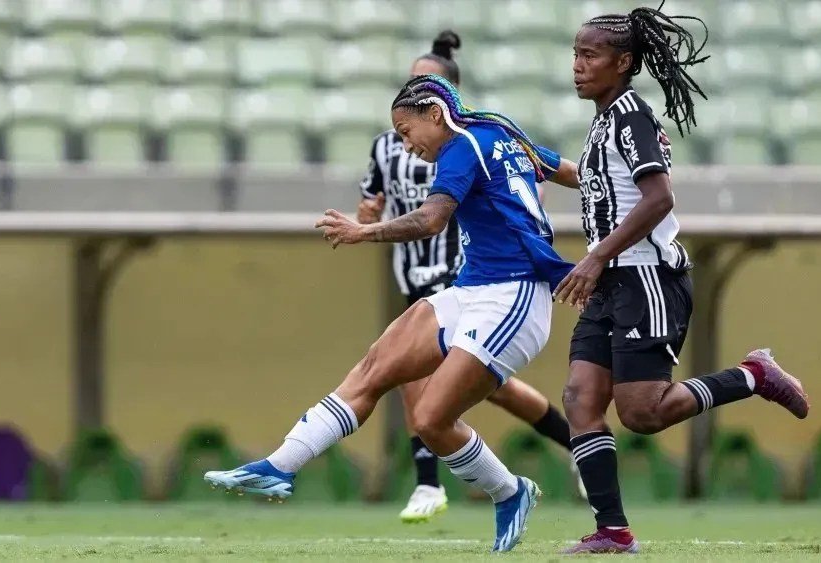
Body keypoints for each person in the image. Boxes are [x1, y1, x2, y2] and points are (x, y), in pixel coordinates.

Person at [205, 74, 582, 552]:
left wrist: (365, 233)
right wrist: (611, 184)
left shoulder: (461, 147)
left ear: (435, 114)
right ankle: (280, 466)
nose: (406, 146)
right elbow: (566, 169)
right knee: (375, 368)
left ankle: (510, 491)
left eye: (407, 131)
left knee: (429, 419)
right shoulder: (498, 131)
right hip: (472, 288)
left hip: (515, 297)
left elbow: (431, 220)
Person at [556, 4, 810, 554]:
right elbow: (610, 188)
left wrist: (596, 257)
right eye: (575, 54)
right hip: (613, 283)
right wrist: (557, 171)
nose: (577, 65)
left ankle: (751, 374)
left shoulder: (631, 116)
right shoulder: (606, 119)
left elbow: (658, 197)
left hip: (646, 280)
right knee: (580, 397)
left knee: (643, 414)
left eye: (589, 55)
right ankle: (613, 532)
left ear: (623, 62)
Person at [357, 30, 578, 524]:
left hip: (465, 275)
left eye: (426, 85)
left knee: (484, 388)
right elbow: (371, 199)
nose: (415, 92)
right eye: (410, 82)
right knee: (412, 376)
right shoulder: (387, 146)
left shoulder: (474, 142)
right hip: (414, 272)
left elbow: (529, 177)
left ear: (445, 98)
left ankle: (569, 448)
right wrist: (366, 214)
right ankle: (429, 485)